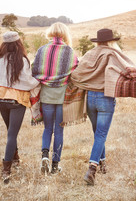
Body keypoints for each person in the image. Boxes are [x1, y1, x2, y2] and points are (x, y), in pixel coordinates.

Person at [70, 28, 136, 185]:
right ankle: (92, 169)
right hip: (106, 98)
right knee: (101, 134)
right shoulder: (112, 54)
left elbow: (77, 74)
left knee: (97, 133)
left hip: (90, 98)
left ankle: (102, 163)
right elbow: (129, 70)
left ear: (97, 41)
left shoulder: (89, 54)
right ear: (111, 41)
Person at [0, 31, 39, 184]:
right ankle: (6, 169)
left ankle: (15, 159)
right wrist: (39, 80)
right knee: (12, 134)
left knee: (10, 131)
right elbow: (28, 82)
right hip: (17, 101)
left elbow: (0, 79)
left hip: (2, 99)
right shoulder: (21, 60)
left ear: (4, 45)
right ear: (18, 43)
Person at [32, 22, 78, 175]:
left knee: (47, 129)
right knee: (59, 131)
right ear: (65, 34)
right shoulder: (69, 52)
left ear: (50, 33)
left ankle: (45, 155)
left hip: (46, 95)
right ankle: (55, 166)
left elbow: (34, 70)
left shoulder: (42, 50)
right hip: (62, 97)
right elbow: (76, 72)